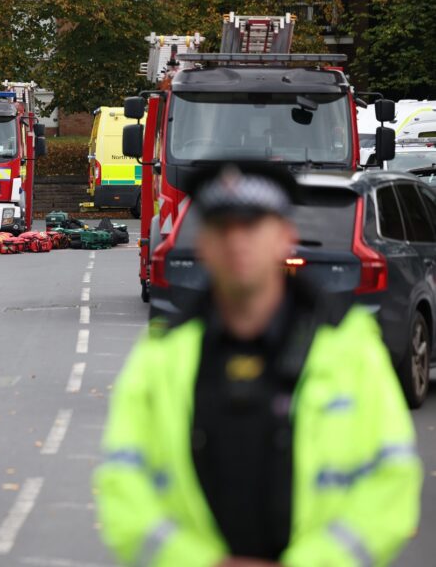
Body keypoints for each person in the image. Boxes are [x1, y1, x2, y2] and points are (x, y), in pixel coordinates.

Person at [95, 162, 421, 567]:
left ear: (285, 237)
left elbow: (391, 480)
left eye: (252, 225)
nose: (236, 241)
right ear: (204, 244)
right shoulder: (160, 357)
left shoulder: (350, 351)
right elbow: (123, 482)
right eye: (221, 227)